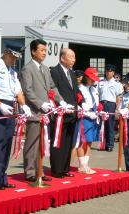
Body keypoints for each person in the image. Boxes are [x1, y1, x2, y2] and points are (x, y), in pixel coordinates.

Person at [0, 41, 31, 190]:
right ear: (6, 53)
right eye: (13, 57)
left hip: (11, 106)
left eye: (17, 58)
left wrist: (24, 105)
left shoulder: (13, 71)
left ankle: (2, 176)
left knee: (6, 143)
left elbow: (18, 91)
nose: (15, 60)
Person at [20, 39, 63, 182]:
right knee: (32, 143)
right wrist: (40, 104)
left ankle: (39, 170)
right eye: (42, 50)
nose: (44, 53)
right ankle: (30, 172)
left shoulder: (45, 68)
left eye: (45, 50)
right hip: (34, 112)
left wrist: (60, 100)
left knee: (43, 143)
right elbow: (28, 90)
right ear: (33, 51)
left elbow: (52, 87)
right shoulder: (28, 68)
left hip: (46, 112)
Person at [49, 48, 79, 178]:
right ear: (62, 58)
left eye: (74, 57)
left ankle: (65, 168)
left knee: (68, 142)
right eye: (71, 56)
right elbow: (53, 91)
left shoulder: (71, 73)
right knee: (58, 142)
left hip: (72, 112)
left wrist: (80, 102)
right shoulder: (54, 72)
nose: (74, 59)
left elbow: (76, 91)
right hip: (61, 112)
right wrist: (61, 104)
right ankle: (57, 169)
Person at [74, 68, 101, 174]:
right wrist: (87, 113)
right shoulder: (80, 89)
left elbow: (97, 103)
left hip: (94, 116)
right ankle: (81, 165)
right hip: (84, 117)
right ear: (86, 77)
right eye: (92, 79)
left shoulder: (94, 90)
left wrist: (99, 111)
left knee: (89, 141)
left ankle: (86, 164)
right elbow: (78, 105)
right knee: (82, 141)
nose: (94, 81)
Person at [97, 64, 123, 152]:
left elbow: (119, 96)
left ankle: (109, 145)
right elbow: (97, 94)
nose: (108, 73)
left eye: (110, 71)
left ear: (113, 73)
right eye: (107, 71)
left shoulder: (117, 84)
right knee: (101, 125)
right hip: (101, 104)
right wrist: (97, 105)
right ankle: (102, 144)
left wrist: (117, 108)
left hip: (111, 105)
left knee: (110, 126)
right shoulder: (100, 82)